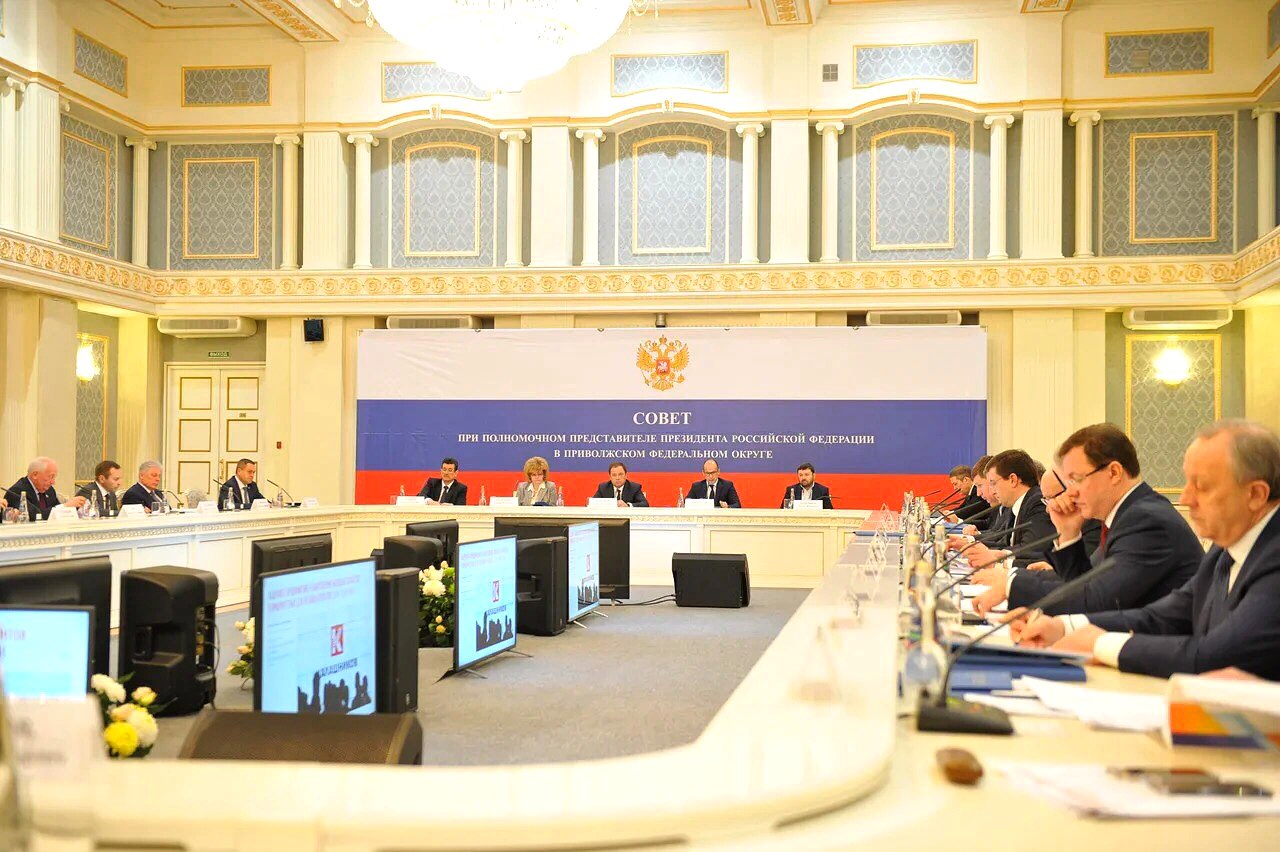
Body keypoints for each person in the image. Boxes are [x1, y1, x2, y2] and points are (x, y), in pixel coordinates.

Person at [1014, 420, 1280, 681]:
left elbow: (1216, 655)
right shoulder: (1224, 551)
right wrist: (1063, 627)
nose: (1185, 499)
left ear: (1256, 495)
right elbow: (1162, 617)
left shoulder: (1273, 557)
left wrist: (1101, 644)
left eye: (1201, 486)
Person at [977, 424, 1202, 618]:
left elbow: (1099, 600)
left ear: (1114, 473)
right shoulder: (1126, 514)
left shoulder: (1146, 520)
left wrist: (1012, 586)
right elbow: (1086, 580)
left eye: (1076, 480)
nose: (1070, 493)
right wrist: (1068, 533)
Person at [960, 449, 1055, 575]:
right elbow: (1004, 541)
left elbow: (1031, 549)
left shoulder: (1037, 502)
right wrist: (972, 544)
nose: (992, 491)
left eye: (993, 483)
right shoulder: (1016, 504)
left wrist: (998, 558)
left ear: (1013, 480)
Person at [4, 457, 85, 521]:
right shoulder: (17, 491)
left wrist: (76, 506)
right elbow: (34, 515)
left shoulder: (49, 490)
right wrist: (66, 506)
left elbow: (56, 510)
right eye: (51, 477)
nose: (53, 482)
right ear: (35, 475)